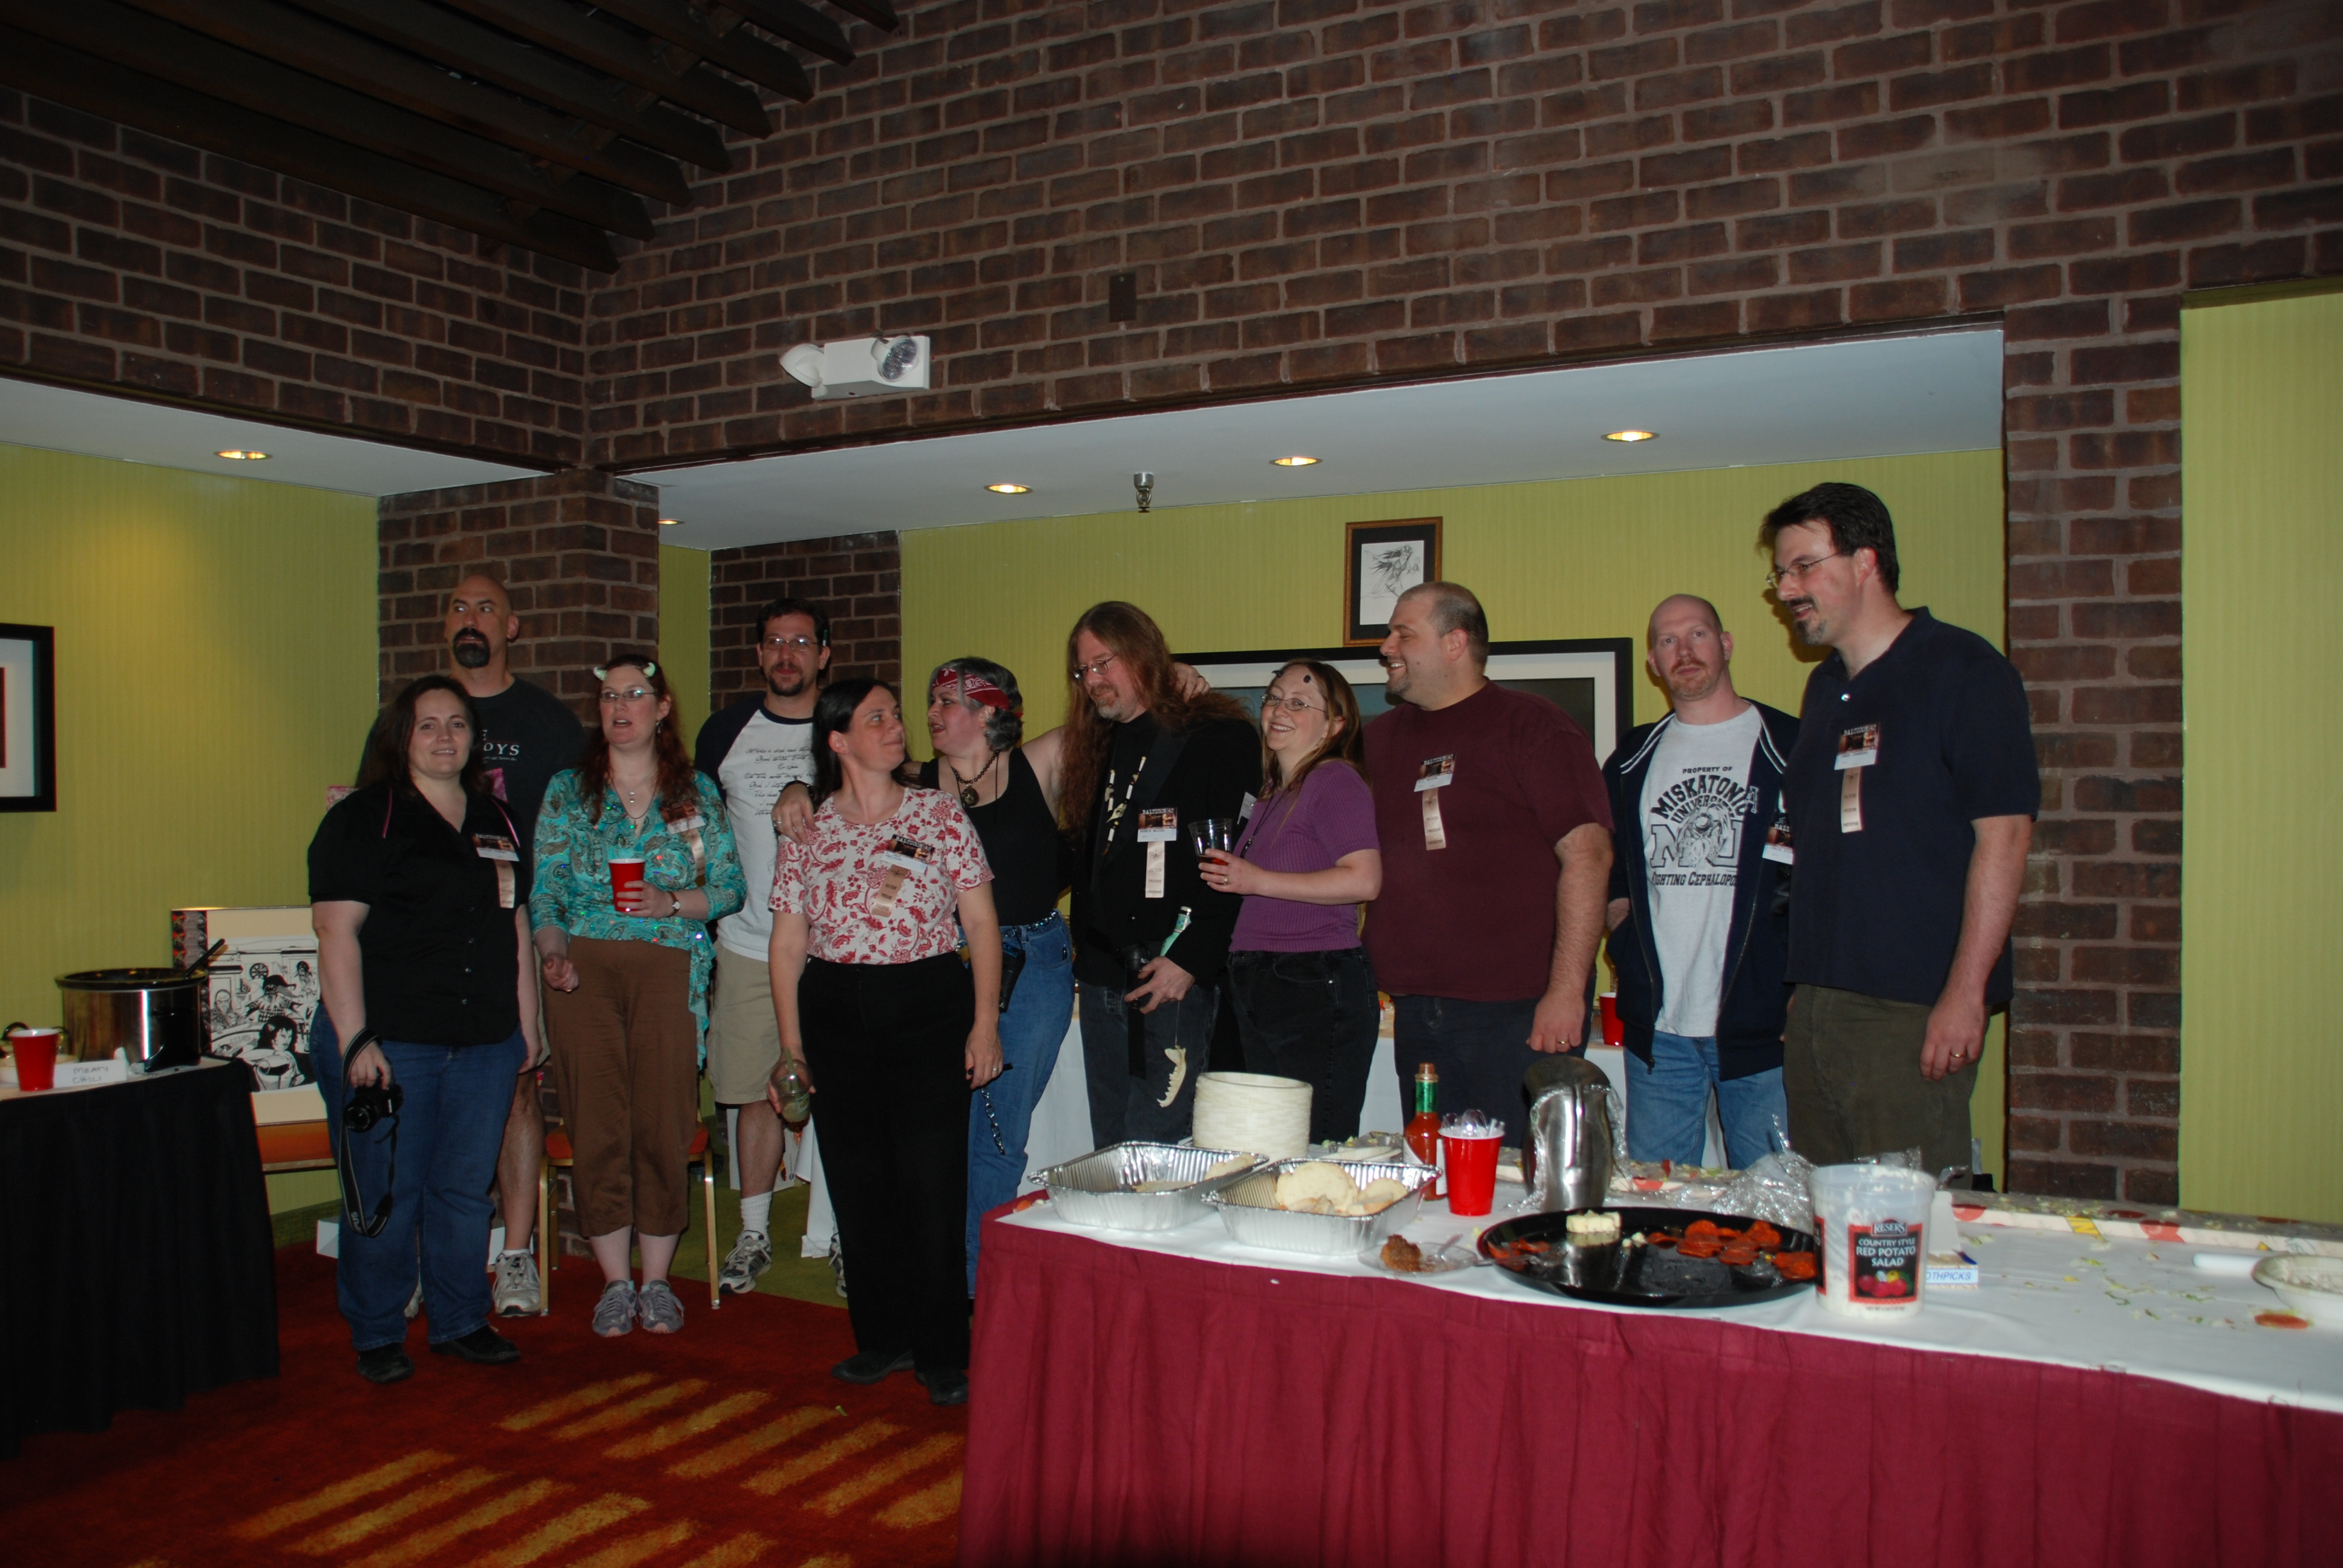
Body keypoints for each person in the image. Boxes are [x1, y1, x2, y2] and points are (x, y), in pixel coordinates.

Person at [1765, 483, 2038, 1173]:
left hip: (1910, 1008)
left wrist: (1965, 993)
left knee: (1901, 1223)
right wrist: (1806, 996)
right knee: (1820, 1214)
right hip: (1819, 1006)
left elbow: (2004, 838)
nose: (1786, 590)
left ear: (1865, 562)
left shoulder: (1964, 671)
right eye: (1780, 573)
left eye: (1803, 567)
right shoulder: (1825, 688)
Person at [767, 679, 1001, 1406]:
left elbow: (981, 923)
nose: (897, 726)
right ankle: (882, 1337)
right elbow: (787, 944)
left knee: (931, 1182)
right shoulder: (806, 828)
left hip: (926, 1002)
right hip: (834, 1007)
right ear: (838, 740)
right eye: (877, 718)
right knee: (858, 1181)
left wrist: (984, 1023)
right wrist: (791, 1048)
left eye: (895, 715)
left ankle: (941, 1350)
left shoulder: (938, 814)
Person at [308, 674, 545, 1385]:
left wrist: (527, 1025)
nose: (446, 737)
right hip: (388, 1042)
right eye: (428, 725)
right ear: (400, 738)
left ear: (474, 738)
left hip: (482, 1041)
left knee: (463, 1192)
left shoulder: (497, 819)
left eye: (458, 724)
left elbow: (514, 922)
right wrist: (355, 1039)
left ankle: (460, 1320)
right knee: (386, 1195)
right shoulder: (365, 817)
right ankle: (378, 1331)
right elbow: (335, 932)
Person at [361, 573, 587, 1318]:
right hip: (419, 965)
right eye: (458, 606)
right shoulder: (401, 719)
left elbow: (576, 826)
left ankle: (515, 1255)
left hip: (507, 943)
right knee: (421, 1111)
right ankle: (423, 1261)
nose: (471, 618)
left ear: (511, 627)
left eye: (487, 608)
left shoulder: (549, 722)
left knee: (518, 1091)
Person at [531, 654, 745, 1337]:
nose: (620, 706)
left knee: (661, 1120)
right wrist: (553, 954)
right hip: (583, 971)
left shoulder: (694, 793)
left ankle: (656, 1282)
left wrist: (671, 902)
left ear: (661, 709)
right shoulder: (569, 791)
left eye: (634, 694)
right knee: (596, 1123)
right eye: (609, 697)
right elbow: (547, 890)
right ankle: (614, 1283)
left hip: (669, 963)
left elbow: (730, 887)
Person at [1362, 582, 1613, 1120]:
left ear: (1455, 643)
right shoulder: (1379, 741)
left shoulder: (1533, 727)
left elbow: (1589, 858)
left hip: (1519, 1014)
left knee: (1519, 1169)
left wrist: (1567, 992)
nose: (1386, 647)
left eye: (1404, 634)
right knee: (1437, 1167)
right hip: (1416, 1012)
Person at [1602, 595, 1797, 1169]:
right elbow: (1611, 869)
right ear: (1653, 663)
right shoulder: (1633, 757)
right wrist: (1623, 937)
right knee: (1655, 1200)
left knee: (1769, 1201)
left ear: (1726, 644)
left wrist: (1801, 988)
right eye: (1668, 641)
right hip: (1660, 1034)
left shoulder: (1792, 745)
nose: (1684, 651)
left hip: (1763, 1027)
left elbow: (1826, 880)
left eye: (1698, 635)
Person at [1061, 602, 1260, 1146]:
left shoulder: (1218, 735)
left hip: (1171, 973)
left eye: (1103, 663)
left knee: (1162, 1151)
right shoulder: (1095, 742)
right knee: (1110, 1149)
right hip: (1101, 975)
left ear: (1142, 653)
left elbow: (1233, 861)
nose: (1092, 681)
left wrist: (1191, 960)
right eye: (1082, 671)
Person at [916, 659, 1075, 1295]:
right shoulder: (914, 783)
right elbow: (837, 780)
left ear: (989, 713)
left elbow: (1119, 713)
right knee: (938, 1128)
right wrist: (795, 788)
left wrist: (1177, 680)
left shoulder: (1039, 763)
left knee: (998, 1131)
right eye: (931, 700)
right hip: (945, 961)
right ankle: (939, 1270)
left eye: (947, 701)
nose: (932, 712)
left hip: (1033, 963)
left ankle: (977, 1284)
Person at [693, 596, 829, 1296]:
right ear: (758, 653)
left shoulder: (844, 722)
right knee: (753, 1093)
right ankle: (752, 1232)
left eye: (800, 642)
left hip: (836, 951)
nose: (786, 654)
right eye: (774, 642)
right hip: (747, 945)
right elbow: (699, 829)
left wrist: (805, 782)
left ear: (823, 655)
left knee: (841, 1094)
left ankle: (840, 1232)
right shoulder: (724, 731)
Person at [1200, 661, 1383, 1143]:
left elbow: (1365, 880)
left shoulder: (1334, 779)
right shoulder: (1271, 793)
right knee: (1272, 1141)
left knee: (1313, 1143)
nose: (1279, 710)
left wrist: (1257, 880)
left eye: (1299, 703)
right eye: (1274, 698)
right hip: (1259, 977)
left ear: (1335, 725)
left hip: (1313, 978)